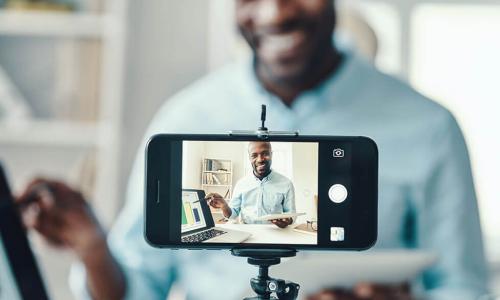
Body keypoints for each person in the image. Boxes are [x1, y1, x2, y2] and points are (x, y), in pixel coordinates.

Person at [16, 0, 488, 299]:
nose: (272, 12)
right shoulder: (185, 118)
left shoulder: (429, 127)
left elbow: (464, 288)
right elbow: (139, 290)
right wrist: (94, 249)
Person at [206, 141, 296, 228]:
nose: (260, 159)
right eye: (254, 155)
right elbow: (233, 215)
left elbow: (291, 214)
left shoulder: (286, 183)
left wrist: (288, 221)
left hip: (276, 234)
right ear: (249, 157)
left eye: (265, 153)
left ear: (271, 154)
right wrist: (224, 206)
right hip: (248, 233)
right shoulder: (241, 184)